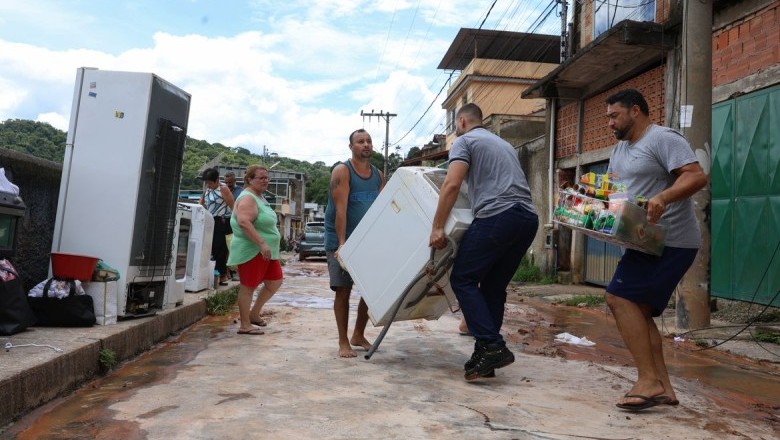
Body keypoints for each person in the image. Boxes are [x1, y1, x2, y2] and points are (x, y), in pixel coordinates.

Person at [604, 89, 707, 411]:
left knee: (618, 298)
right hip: (641, 241)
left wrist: (663, 198)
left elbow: (696, 176)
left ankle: (648, 380)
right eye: (608, 117)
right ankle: (664, 387)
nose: (610, 123)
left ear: (636, 111)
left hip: (671, 240)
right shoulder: (619, 150)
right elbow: (613, 191)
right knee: (639, 310)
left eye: (614, 115)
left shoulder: (663, 138)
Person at [430, 103, 538, 381]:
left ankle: (491, 344)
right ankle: (485, 356)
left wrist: (438, 226)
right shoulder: (500, 144)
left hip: (498, 217)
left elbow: (452, 184)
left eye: (456, 124)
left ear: (463, 121)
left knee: (463, 279)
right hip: (526, 219)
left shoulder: (464, 141)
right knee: (492, 286)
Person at [324, 129, 385, 358]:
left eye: (369, 141)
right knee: (343, 289)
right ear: (351, 146)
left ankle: (358, 334)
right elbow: (340, 211)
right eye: (360, 141)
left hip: (366, 240)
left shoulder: (378, 175)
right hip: (340, 239)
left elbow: (380, 211)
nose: (366, 144)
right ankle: (343, 342)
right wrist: (342, 245)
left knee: (371, 291)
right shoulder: (343, 171)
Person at [228, 165, 283, 335]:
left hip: (267, 251)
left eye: (267, 178)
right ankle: (245, 325)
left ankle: (254, 314)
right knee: (248, 286)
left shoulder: (260, 197)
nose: (265, 180)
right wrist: (261, 243)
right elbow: (244, 222)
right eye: (261, 178)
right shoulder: (248, 198)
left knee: (275, 281)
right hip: (253, 249)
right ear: (250, 179)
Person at [200, 167, 235, 286]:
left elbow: (233, 206)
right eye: (206, 183)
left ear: (216, 181)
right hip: (209, 220)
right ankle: (210, 274)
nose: (208, 185)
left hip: (221, 221)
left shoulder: (223, 189)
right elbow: (202, 203)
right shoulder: (207, 189)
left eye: (210, 183)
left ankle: (222, 275)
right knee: (209, 248)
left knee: (220, 249)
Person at [224, 171, 243, 281]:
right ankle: (225, 272)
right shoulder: (222, 190)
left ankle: (236, 271)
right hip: (223, 222)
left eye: (230, 182)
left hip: (235, 223)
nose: (227, 185)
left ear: (235, 181)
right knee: (222, 249)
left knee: (233, 247)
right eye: (226, 182)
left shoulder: (241, 192)